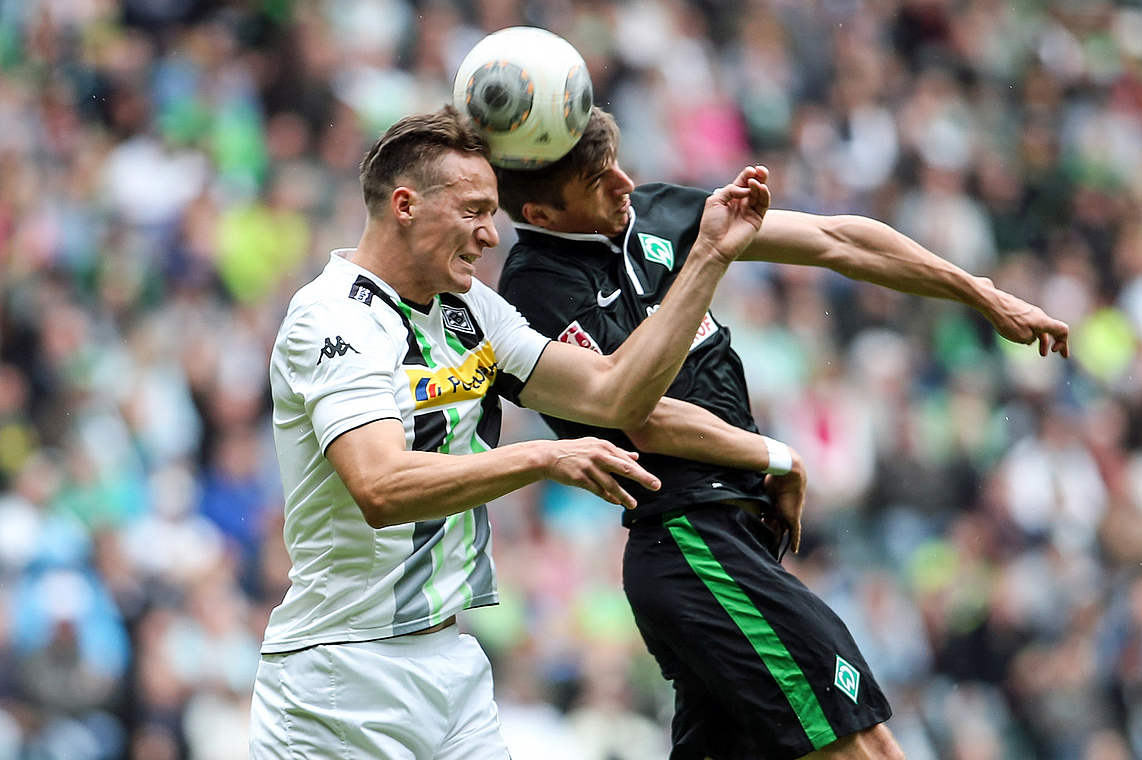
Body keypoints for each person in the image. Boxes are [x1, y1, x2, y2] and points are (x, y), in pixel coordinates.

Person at [495, 107, 1070, 760]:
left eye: (618, 163)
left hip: (730, 537)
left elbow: (836, 240)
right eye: (600, 181)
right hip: (691, 535)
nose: (626, 183)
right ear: (542, 214)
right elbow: (638, 415)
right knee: (865, 746)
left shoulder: (655, 214)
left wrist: (979, 292)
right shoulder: (535, 287)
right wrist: (775, 456)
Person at [249, 106, 770, 759]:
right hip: (340, 679)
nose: (492, 235)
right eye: (473, 211)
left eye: (493, 213)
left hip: (451, 664)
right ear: (405, 205)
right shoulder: (331, 320)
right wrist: (543, 458)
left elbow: (615, 391)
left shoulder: (472, 311)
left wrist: (708, 259)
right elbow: (380, 486)